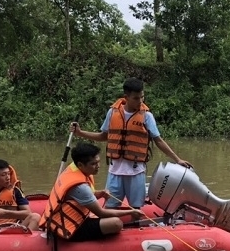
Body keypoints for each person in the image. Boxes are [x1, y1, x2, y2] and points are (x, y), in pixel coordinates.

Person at [70, 77, 192, 209]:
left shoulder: (147, 116)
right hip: (115, 171)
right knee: (110, 206)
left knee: (136, 207)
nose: (140, 101)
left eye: (142, 97)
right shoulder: (112, 112)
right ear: (126, 97)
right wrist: (80, 133)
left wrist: (177, 159)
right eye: (136, 98)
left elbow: (158, 140)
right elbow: (104, 136)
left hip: (136, 171)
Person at [40, 142, 145, 241]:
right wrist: (131, 211)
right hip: (67, 227)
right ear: (80, 164)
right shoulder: (81, 187)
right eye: (93, 164)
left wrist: (100, 194)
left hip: (61, 217)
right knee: (116, 223)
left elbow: (77, 197)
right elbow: (101, 213)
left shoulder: (73, 169)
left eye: (98, 162)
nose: (98, 166)